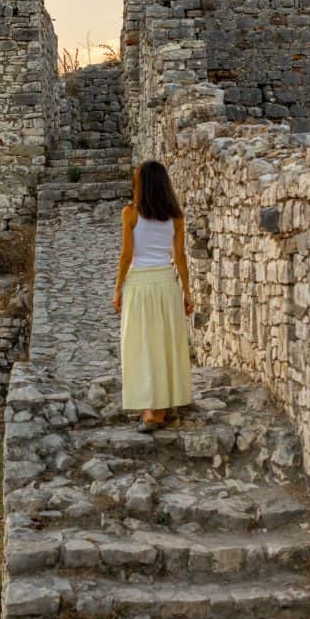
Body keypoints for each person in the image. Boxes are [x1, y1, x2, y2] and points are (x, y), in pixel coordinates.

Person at [112, 159, 193, 433]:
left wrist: (118, 288)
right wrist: (187, 292)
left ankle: (148, 410)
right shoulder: (176, 216)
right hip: (166, 284)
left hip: (139, 284)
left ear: (140, 186)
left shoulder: (130, 214)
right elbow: (180, 257)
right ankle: (161, 409)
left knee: (141, 344)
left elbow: (126, 256)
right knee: (164, 343)